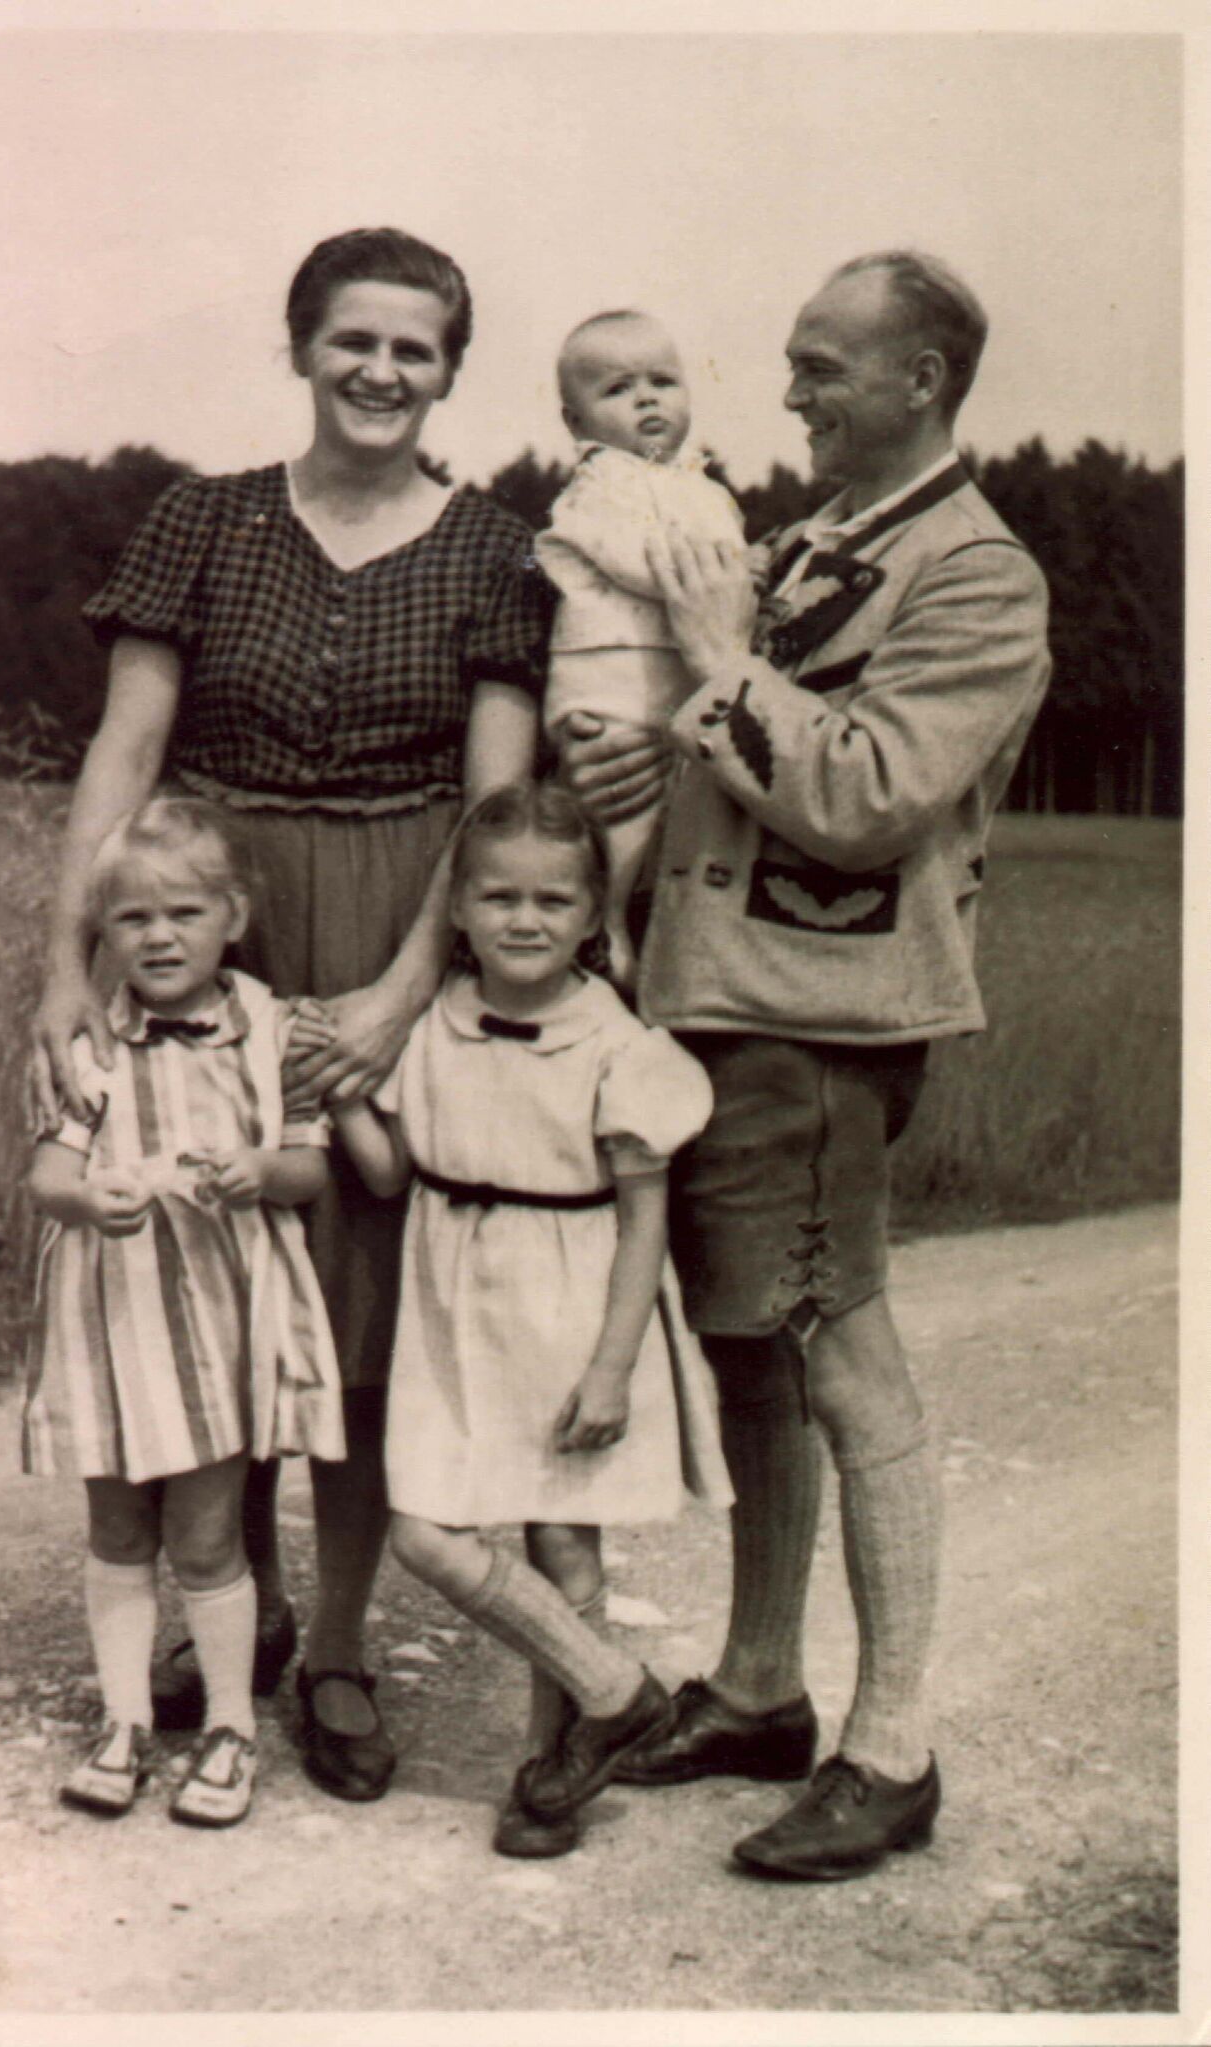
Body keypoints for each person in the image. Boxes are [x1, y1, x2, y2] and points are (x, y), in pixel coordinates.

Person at [31, 227, 553, 1803]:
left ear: (449, 370)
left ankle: (334, 1644)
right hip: (209, 918)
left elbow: (497, 802)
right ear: (302, 346)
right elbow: (126, 753)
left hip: (403, 921)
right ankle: (230, 1607)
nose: (381, 371)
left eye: (415, 348)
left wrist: (402, 993)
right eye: (355, 340)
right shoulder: (202, 520)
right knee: (210, 1270)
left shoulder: (496, 546)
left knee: (362, 1306)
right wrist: (70, 963)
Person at [566, 250, 1051, 1879]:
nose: (787, 395)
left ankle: (893, 1747)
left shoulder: (979, 576)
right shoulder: (803, 547)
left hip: (824, 1022)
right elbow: (723, 733)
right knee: (752, 1354)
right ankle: (762, 1688)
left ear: (922, 379)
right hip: (717, 1005)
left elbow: (865, 792)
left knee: (838, 1351)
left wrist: (716, 663)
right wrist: (636, 756)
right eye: (790, 363)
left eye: (822, 367)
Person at [332, 782, 732, 1857]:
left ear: (594, 915)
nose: (524, 919)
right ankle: (618, 1689)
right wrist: (337, 1094)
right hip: (453, 1305)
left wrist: (611, 1369)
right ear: (458, 908)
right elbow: (390, 1172)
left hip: (568, 1303)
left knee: (562, 1539)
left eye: (553, 901)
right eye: (499, 897)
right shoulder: (434, 1023)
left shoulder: (617, 1044)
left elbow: (645, 1224)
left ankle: (552, 1775)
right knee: (425, 1530)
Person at [24, 797, 344, 1829]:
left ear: (233, 916)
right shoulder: (91, 1044)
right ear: (104, 931)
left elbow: (308, 1167)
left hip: (215, 1321)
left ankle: (229, 1725)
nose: (159, 937)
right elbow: (49, 1175)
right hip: (112, 1319)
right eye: (133, 918)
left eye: (184, 913)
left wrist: (258, 1170)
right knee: (118, 1525)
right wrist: (88, 1199)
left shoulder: (273, 1031)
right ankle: (123, 1719)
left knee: (207, 1533)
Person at [536, 311, 746, 986]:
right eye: (619, 389)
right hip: (610, 674)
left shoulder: (704, 489)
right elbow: (632, 558)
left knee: (677, 809)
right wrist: (724, 579)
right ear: (576, 422)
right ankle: (607, 923)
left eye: (662, 381)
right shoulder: (601, 484)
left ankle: (650, 930)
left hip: (671, 673)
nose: (647, 399)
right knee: (623, 802)